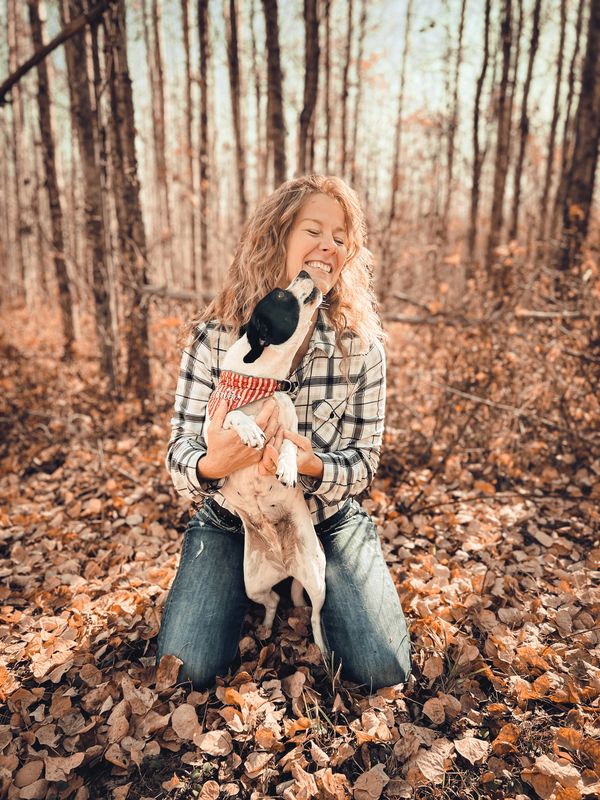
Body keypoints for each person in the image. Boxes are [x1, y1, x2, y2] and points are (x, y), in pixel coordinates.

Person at [157, 175, 411, 691]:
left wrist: (314, 464)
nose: (329, 246)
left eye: (341, 237)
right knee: (189, 670)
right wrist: (214, 464)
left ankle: (304, 574)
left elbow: (363, 463)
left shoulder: (360, 348)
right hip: (234, 515)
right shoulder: (216, 337)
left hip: (325, 517)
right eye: (313, 230)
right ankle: (257, 586)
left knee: (383, 670)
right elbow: (179, 452)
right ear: (277, 237)